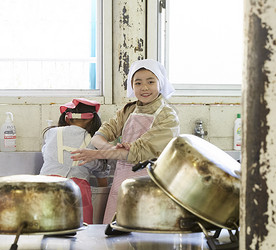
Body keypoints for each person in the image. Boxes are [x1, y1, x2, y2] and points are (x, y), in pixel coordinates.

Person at [71, 59, 180, 224]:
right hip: (122, 182)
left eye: (150, 81)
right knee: (116, 236)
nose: (144, 87)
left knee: (146, 235)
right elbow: (98, 136)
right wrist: (112, 148)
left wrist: (98, 153)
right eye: (138, 83)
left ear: (160, 83)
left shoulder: (168, 116)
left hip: (151, 184)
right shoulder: (128, 110)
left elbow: (136, 153)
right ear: (132, 86)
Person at [39, 98, 110, 224]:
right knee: (81, 233)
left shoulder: (51, 133)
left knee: (46, 229)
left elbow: (46, 152)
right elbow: (99, 169)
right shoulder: (93, 140)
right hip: (77, 188)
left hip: (46, 186)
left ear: (66, 118)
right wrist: (103, 184)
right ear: (93, 120)